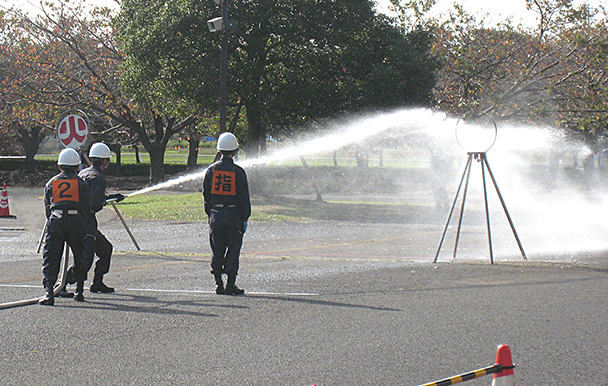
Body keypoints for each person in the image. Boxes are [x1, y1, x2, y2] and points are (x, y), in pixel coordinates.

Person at [40, 148, 92, 305]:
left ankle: (49, 293)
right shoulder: (81, 183)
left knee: (51, 256)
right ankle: (80, 290)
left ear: (59, 165)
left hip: (56, 220)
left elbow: (47, 207)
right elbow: (86, 207)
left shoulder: (51, 183)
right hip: (75, 220)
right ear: (77, 166)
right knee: (80, 254)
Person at [202, 132, 251, 295]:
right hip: (233, 215)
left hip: (216, 215)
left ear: (219, 150)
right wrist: (245, 217)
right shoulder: (238, 172)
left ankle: (218, 283)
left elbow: (206, 196)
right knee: (233, 249)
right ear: (235, 150)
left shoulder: (211, 170)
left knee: (217, 249)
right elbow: (244, 197)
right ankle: (231, 284)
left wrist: (211, 213)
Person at [75, 142, 124, 294]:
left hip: (77, 220)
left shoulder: (83, 173)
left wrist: (111, 197)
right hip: (87, 223)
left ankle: (97, 283)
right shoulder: (99, 178)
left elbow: (88, 196)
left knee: (105, 249)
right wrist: (103, 201)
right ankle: (63, 283)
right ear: (104, 161)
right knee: (86, 258)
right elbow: (95, 204)